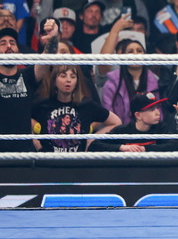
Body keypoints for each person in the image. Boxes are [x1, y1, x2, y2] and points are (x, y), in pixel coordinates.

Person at [32, 64, 122, 152]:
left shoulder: (87, 105)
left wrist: (93, 138)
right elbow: (22, 117)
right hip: (49, 163)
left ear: (77, 82)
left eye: (72, 76)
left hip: (78, 162)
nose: (68, 80)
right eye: (63, 76)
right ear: (54, 80)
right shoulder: (42, 104)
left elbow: (116, 122)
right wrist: (36, 143)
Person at [0, 21, 59, 152]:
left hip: (25, 152)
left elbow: (48, 58)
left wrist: (54, 37)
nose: (8, 46)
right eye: (2, 44)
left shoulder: (27, 76)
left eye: (13, 43)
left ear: (18, 50)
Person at [89, 92, 178, 152]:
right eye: (152, 110)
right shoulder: (122, 131)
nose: (157, 113)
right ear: (138, 115)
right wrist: (121, 147)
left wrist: (144, 149)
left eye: (157, 108)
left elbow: (175, 146)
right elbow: (94, 146)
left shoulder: (160, 128)